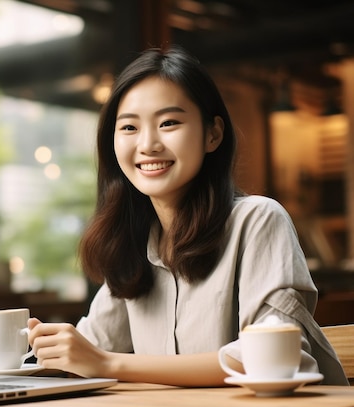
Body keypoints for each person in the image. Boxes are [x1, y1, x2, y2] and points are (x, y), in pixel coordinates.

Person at [27, 46, 348, 387]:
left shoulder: (258, 221)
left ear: (213, 134)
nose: (148, 144)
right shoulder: (134, 243)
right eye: (129, 128)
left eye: (169, 123)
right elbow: (91, 351)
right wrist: (47, 351)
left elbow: (270, 360)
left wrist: (109, 364)